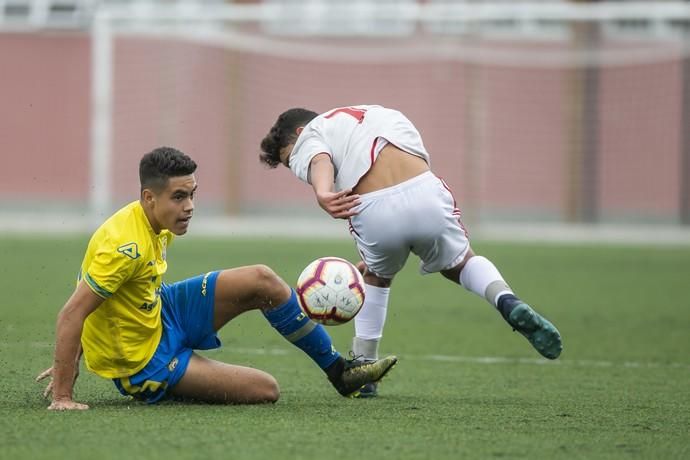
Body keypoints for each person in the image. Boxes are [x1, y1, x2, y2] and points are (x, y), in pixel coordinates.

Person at [36, 146, 397, 410]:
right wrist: (63, 393)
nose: (189, 206)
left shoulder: (150, 220)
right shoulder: (123, 247)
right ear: (149, 197)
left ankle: (340, 372)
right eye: (179, 197)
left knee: (262, 279)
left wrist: (72, 353)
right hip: (146, 362)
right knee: (266, 390)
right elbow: (73, 312)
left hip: (162, 311)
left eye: (192, 194)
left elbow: (109, 298)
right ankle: (174, 375)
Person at [259, 105, 563, 398]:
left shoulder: (311, 133)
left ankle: (364, 367)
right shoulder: (376, 112)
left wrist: (323, 193)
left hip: (373, 208)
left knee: (377, 277)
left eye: (288, 161)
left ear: (299, 131)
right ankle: (506, 300)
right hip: (426, 191)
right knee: (461, 262)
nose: (293, 167)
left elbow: (318, 158)